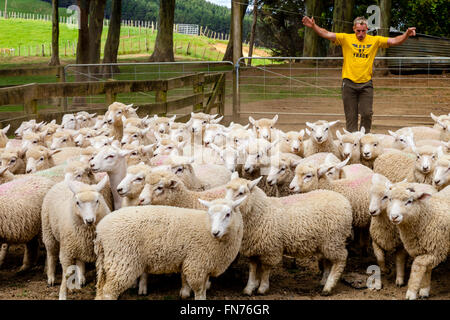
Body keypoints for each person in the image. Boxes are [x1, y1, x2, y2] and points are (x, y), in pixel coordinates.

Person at [302, 16, 416, 132]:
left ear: (367, 29)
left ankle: (365, 139)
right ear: (354, 29)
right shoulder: (346, 38)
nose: (361, 34)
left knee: (367, 113)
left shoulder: (374, 40)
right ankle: (352, 142)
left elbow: (394, 41)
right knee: (351, 117)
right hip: (349, 83)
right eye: (358, 31)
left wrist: (406, 34)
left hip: (366, 84)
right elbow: (326, 34)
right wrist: (313, 26)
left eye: (363, 31)